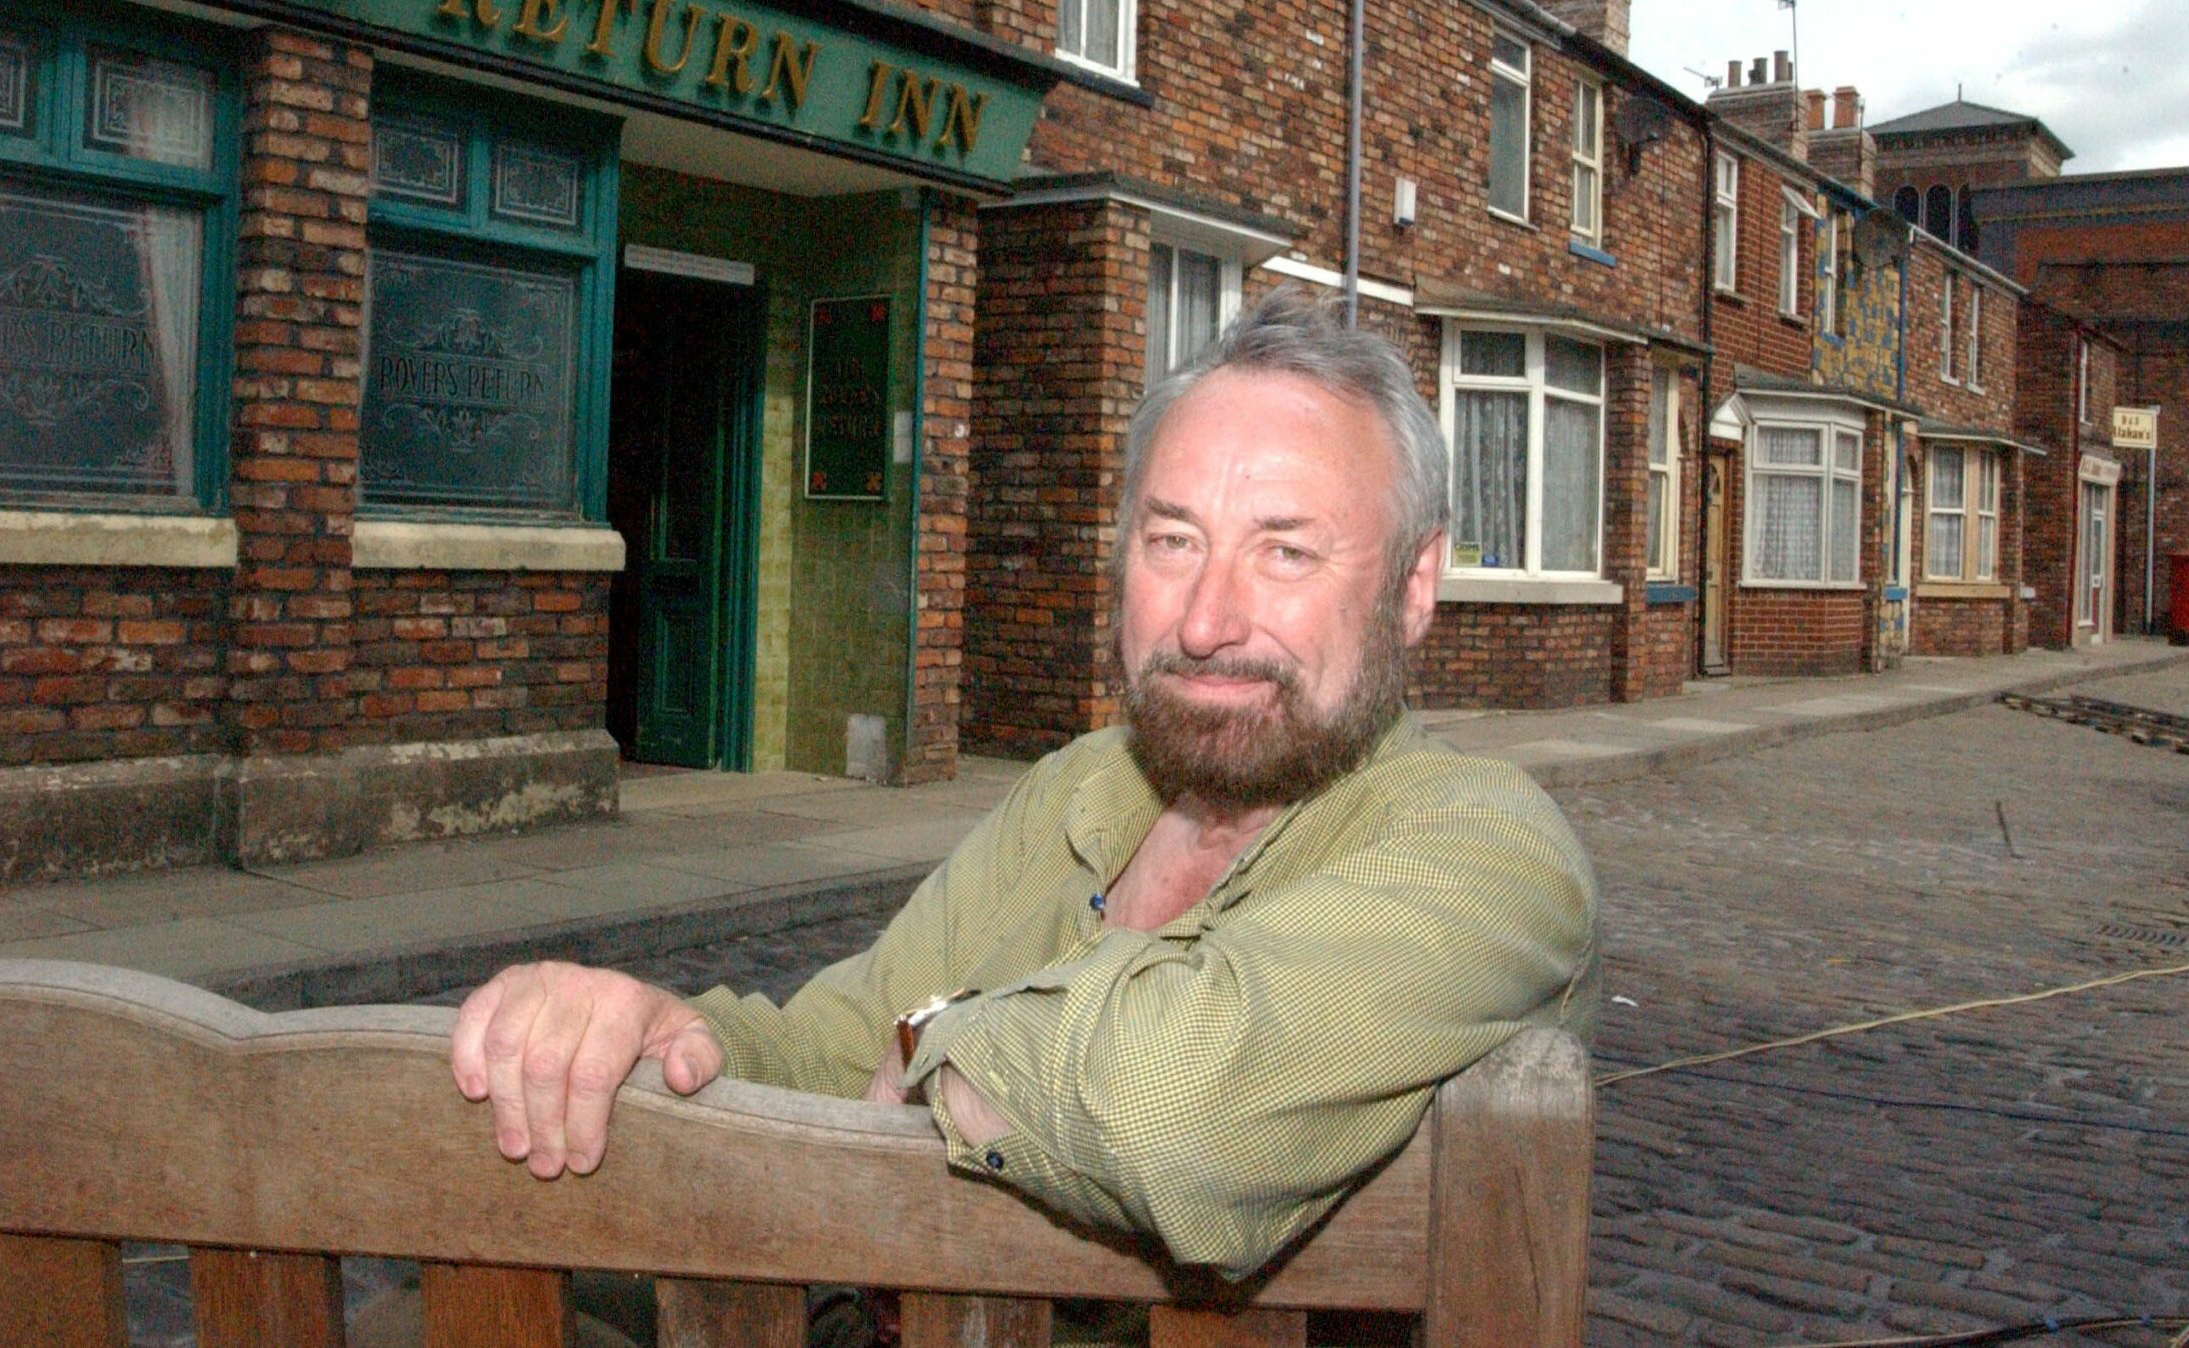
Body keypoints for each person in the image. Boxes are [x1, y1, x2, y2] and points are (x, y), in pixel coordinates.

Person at [449, 286, 1598, 1286]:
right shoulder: (1080, 790)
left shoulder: (1490, 853)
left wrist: (935, 1045)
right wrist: (670, 1033)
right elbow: (843, 1040)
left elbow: (1170, 1111)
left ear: (1411, 587)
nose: (1205, 622)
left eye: (1285, 551)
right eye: (1171, 541)